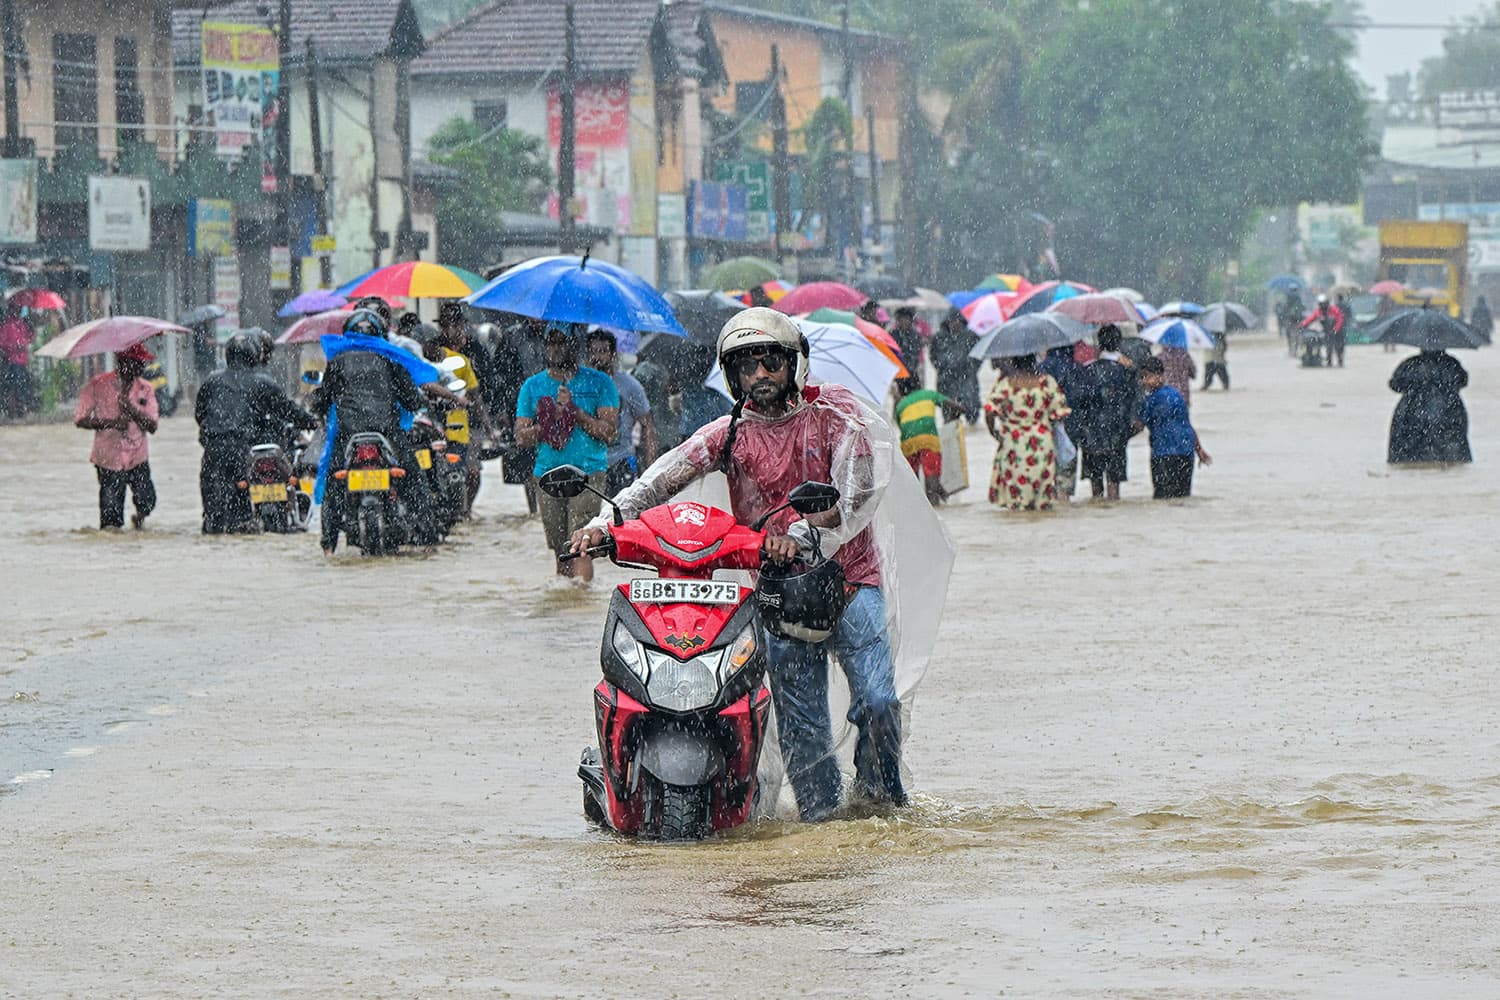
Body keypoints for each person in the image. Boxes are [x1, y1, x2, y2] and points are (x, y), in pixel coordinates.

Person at [571, 307, 909, 820]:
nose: (760, 376)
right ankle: (823, 833)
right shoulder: (729, 434)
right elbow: (662, 478)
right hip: (777, 593)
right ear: (732, 377)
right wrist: (605, 522)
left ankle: (880, 800)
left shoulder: (837, 414)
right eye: (746, 367)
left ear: (794, 363)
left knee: (880, 701)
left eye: (770, 362)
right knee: (804, 729)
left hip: (850, 580)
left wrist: (806, 531)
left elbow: (859, 490)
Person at [308, 309, 440, 554]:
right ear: (380, 333)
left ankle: (328, 546)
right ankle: (428, 540)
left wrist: (317, 407)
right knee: (414, 481)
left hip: (349, 434)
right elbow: (412, 401)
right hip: (387, 432)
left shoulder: (337, 361)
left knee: (333, 486)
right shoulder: (391, 359)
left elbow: (322, 400)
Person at [514, 325, 619, 582]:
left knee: (580, 545)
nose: (555, 348)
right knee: (561, 548)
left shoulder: (600, 382)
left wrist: (575, 411)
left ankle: (580, 603)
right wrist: (550, 420)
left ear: (574, 344)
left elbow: (608, 432)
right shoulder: (532, 386)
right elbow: (521, 437)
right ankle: (564, 608)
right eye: (550, 342)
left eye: (562, 342)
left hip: (588, 474)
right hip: (547, 474)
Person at [195, 332, 316, 534]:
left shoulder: (211, 381)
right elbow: (289, 411)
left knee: (212, 517)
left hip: (214, 452)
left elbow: (200, 415)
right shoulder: (263, 382)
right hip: (245, 451)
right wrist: (311, 421)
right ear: (254, 355)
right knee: (241, 517)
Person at [73, 343, 160, 530]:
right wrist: (110, 423)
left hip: (137, 456)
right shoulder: (98, 385)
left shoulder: (145, 388)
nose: (142, 367)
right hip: (108, 457)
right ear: (123, 362)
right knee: (110, 517)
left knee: (147, 501)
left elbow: (152, 426)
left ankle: (139, 519)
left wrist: (131, 410)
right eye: (137, 362)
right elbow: (80, 419)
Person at [984, 354, 1070, 511]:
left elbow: (989, 411)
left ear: (1014, 363)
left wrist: (994, 432)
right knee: (1042, 500)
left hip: (1013, 445)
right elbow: (1061, 411)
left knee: (1016, 499)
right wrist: (1043, 420)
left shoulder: (1006, 384)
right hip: (1042, 444)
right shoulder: (1046, 383)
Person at [587, 328, 657, 495]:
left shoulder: (630, 385)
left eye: (603, 351)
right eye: (593, 351)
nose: (598, 357)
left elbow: (647, 425)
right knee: (588, 517)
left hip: (621, 460)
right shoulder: (580, 386)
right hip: (588, 461)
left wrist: (650, 467)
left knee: (624, 515)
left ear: (613, 354)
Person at [1134, 356, 1211, 498]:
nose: (1143, 381)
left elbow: (1138, 426)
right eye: (1141, 377)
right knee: (1182, 497)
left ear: (1160, 376)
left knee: (1162, 497)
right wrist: (1199, 450)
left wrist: (1120, 439)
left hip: (1163, 455)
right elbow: (1187, 425)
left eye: (1147, 376)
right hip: (1185, 453)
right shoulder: (1176, 395)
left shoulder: (1150, 400)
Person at [1076, 325, 1138, 501]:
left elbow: (1081, 404)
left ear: (1100, 344)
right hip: (1116, 434)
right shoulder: (1126, 371)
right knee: (1114, 483)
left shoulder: (1087, 371)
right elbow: (1133, 400)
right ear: (1118, 343)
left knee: (1095, 486)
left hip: (1091, 436)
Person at [1387, 349, 1471, 464]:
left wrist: (1415, 387)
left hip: (1412, 413)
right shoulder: (1452, 364)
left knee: (1408, 459)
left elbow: (1395, 384)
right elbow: (1463, 381)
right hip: (1447, 412)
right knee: (1451, 458)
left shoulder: (1411, 364)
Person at [1038, 341, 1087, 499]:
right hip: (1072, 427)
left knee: (1047, 476)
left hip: (1045, 430)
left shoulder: (1041, 370)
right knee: (1065, 477)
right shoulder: (1078, 369)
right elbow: (1082, 400)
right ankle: (1064, 502)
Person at [894, 385, 957, 505]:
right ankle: (934, 504)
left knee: (912, 477)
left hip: (908, 442)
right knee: (931, 473)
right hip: (928, 439)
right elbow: (950, 404)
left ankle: (916, 505)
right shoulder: (929, 394)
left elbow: (901, 425)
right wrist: (958, 413)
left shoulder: (900, 406)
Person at [929, 308, 981, 423]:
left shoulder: (971, 336)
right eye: (952, 320)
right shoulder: (939, 337)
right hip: (946, 380)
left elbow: (979, 355)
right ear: (947, 322)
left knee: (972, 411)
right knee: (949, 415)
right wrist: (944, 366)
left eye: (957, 320)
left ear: (962, 321)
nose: (955, 323)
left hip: (967, 379)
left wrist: (970, 368)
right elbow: (933, 356)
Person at [0, 305, 35, 418]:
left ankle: (21, 409)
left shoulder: (23, 325)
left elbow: (29, 339)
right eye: (16, 309)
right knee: (14, 387)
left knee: (22, 386)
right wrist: (15, 347)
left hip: (23, 361)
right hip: (12, 361)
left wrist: (31, 329)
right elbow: (2, 343)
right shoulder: (7, 325)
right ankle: (13, 410)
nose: (18, 311)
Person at [1158, 341, 1196, 407]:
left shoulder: (1159, 357)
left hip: (1165, 396)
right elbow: (1193, 373)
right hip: (1183, 396)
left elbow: (1156, 378)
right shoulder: (1184, 355)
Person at [1328, 293, 1350, 367]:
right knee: (1341, 343)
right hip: (1343, 327)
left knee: (1334, 343)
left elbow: (1331, 316)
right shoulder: (1346, 305)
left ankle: (1331, 360)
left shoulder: (1335, 306)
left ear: (1338, 298)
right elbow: (1350, 315)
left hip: (1335, 327)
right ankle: (1340, 359)